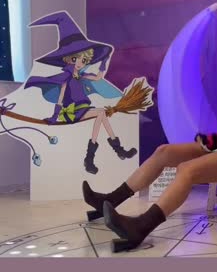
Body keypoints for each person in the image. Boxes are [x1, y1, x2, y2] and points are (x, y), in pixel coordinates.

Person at [83, 21, 217, 251]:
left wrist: (212, 141)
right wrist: (213, 141)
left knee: (187, 170)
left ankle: (140, 226)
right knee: (163, 152)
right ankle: (108, 201)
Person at [25, 11, 137, 173]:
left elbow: (98, 77)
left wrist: (105, 59)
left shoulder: (82, 76)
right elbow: (61, 96)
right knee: (101, 113)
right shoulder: (66, 76)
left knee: (101, 115)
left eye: (84, 60)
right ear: (67, 58)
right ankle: (110, 152)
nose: (79, 62)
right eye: (75, 58)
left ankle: (97, 157)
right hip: (72, 112)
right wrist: (54, 116)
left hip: (83, 109)